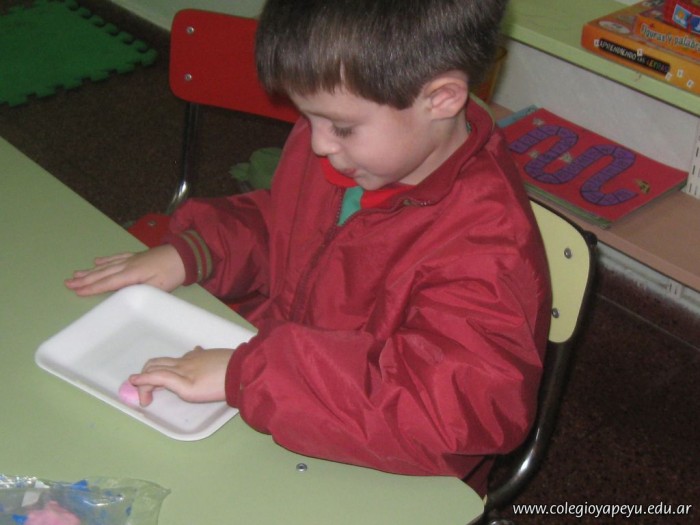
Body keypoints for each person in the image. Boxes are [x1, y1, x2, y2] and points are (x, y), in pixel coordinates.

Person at [65, 0, 551, 496]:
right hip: (286, 400)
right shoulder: (350, 150)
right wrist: (197, 252)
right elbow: (286, 226)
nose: (318, 143)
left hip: (388, 474)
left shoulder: (488, 247)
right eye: (307, 116)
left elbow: (447, 416)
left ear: (442, 99)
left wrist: (248, 374)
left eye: (341, 127)